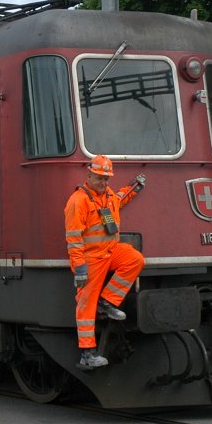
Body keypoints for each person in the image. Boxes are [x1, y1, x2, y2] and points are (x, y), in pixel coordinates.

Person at [63, 155, 146, 369]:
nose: (104, 183)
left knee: (135, 259)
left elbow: (119, 199)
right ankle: (87, 354)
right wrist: (79, 267)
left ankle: (107, 302)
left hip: (110, 252)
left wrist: (133, 189)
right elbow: (73, 239)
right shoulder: (77, 201)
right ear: (89, 175)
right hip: (91, 258)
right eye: (100, 178)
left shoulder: (108, 195)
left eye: (107, 179)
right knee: (85, 304)